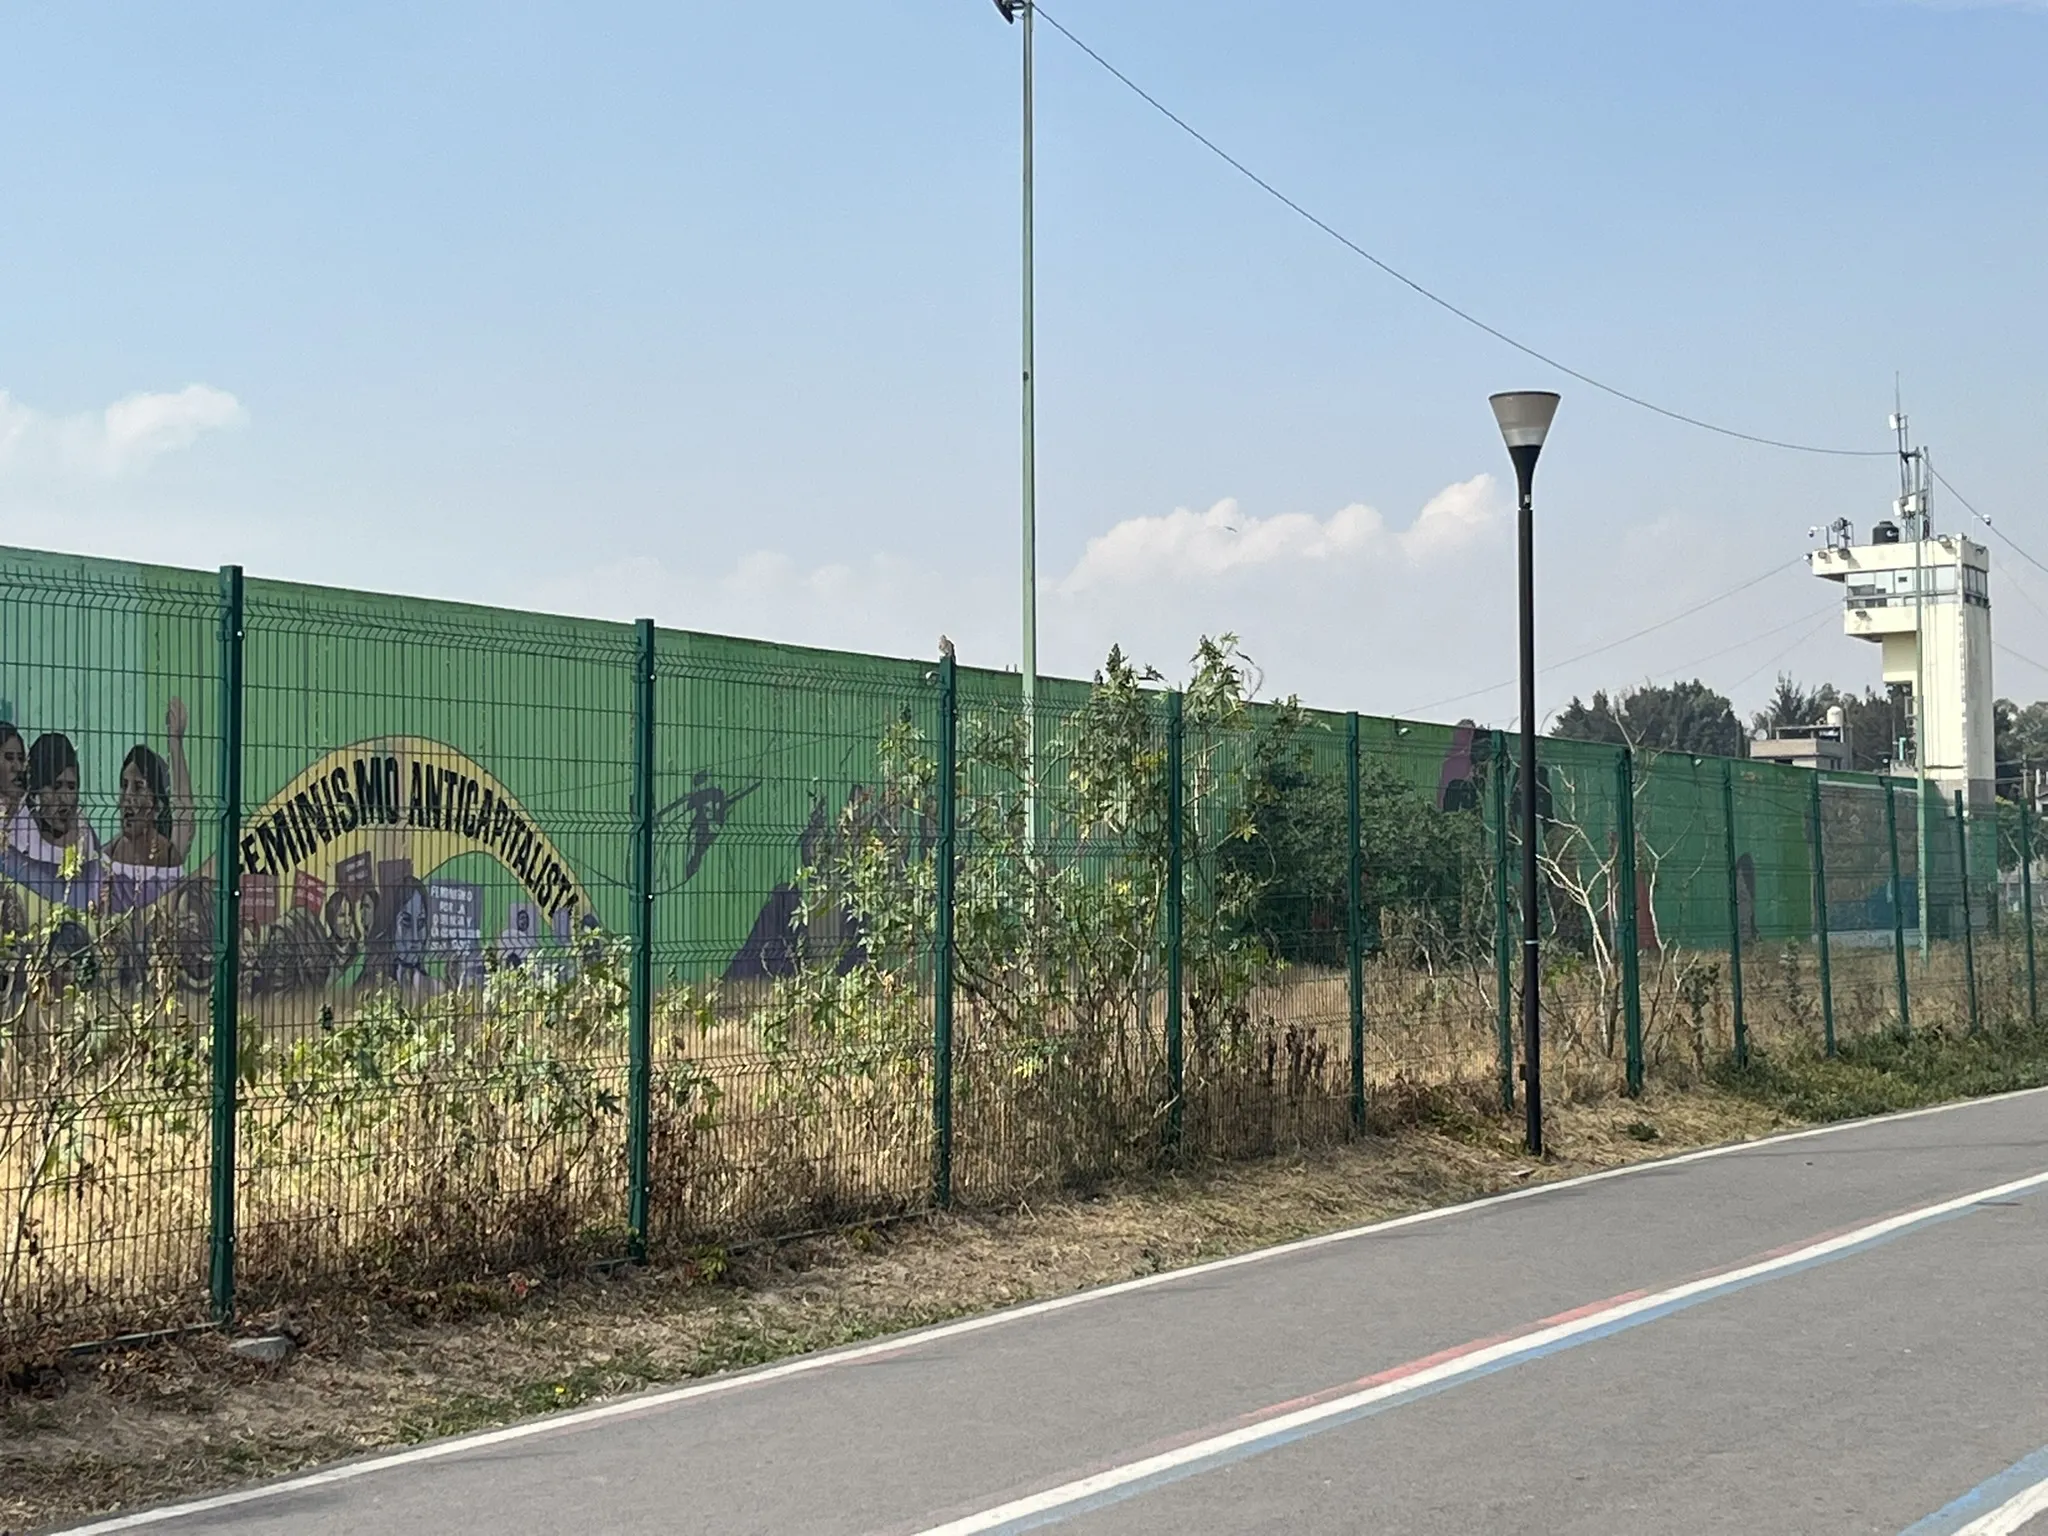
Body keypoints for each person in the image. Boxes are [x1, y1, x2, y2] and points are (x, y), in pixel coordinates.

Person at [107, 699, 193, 870]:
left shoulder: (167, 855)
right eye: (124, 785)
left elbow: (185, 812)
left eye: (139, 786)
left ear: (157, 804)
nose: (128, 797)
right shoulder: (110, 854)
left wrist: (175, 741)